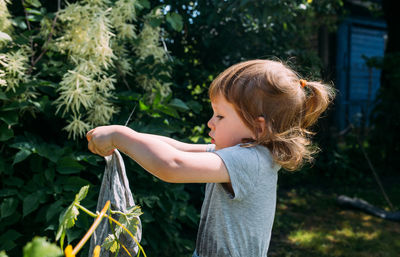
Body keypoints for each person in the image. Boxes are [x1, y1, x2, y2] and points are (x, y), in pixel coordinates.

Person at [86, 59, 335, 257]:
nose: (210, 123)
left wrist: (121, 135)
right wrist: (128, 137)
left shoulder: (250, 161)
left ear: (258, 128)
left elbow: (172, 165)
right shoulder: (243, 154)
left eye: (220, 116)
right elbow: (178, 148)